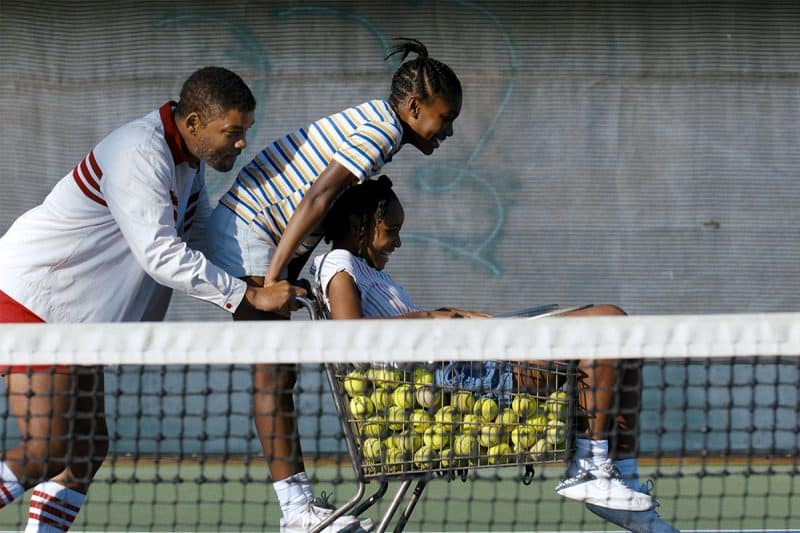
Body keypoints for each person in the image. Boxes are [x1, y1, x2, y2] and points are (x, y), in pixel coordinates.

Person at [0, 67, 305, 532]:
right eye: (233, 132)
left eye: (245, 132)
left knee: (85, 449)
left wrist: (252, 286)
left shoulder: (188, 164)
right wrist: (247, 295)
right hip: (34, 302)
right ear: (196, 123)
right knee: (49, 447)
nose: (241, 143)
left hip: (75, 322)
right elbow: (161, 254)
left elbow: (197, 237)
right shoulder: (139, 151)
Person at [311, 176, 680, 533]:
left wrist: (452, 313)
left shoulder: (366, 269)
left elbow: (401, 324)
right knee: (609, 323)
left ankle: (619, 474)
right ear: (359, 225)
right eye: (391, 231)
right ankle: (590, 466)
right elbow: (352, 338)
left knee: (619, 333)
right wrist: (434, 317)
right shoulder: (338, 264)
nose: (398, 242)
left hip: (466, 365)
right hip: (459, 382)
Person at [205, 39, 462, 533]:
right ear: (414, 108)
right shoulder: (381, 132)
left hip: (271, 238)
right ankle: (296, 512)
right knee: (273, 374)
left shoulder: (381, 129)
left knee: (279, 376)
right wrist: (276, 277)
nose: (447, 131)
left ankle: (299, 508)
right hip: (252, 233)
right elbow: (317, 198)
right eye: (444, 118)